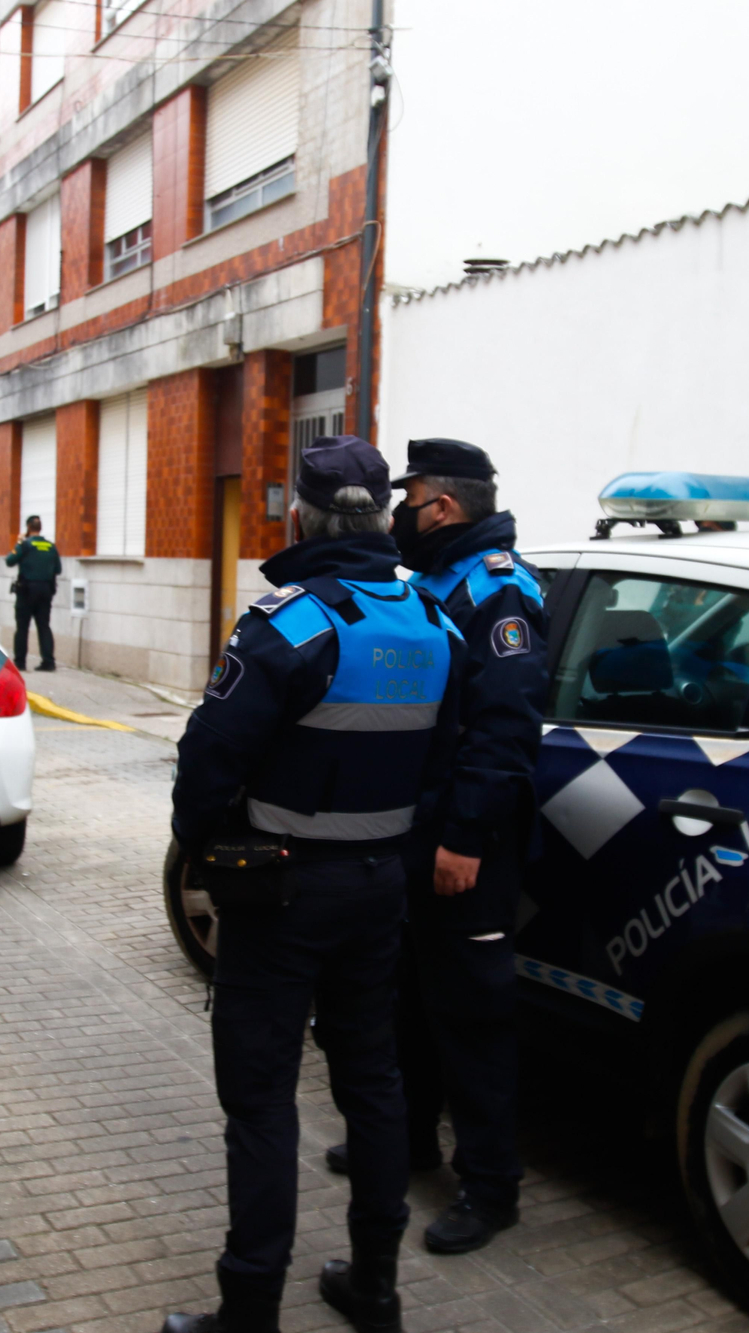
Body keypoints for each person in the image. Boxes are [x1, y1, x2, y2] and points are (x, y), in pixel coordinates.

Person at [163, 437, 468, 1333]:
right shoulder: (433, 618)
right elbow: (444, 761)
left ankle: (249, 1306)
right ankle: (375, 1286)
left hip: (280, 893)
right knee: (371, 1082)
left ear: (301, 513)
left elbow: (209, 760)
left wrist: (202, 843)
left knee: (259, 1099)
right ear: (382, 516)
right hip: (380, 889)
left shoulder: (291, 623)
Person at [322, 437, 548, 1255]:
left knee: (473, 1018)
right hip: (414, 832)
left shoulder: (498, 592)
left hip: (465, 845)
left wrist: (464, 837)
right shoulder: (438, 583)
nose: (396, 515)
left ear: (441, 506)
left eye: (405, 499)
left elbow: (503, 732)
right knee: (406, 1000)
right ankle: (408, 1142)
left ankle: (491, 1188)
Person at [6, 514, 59, 672]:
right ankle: (48, 662)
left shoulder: (25, 544)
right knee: (44, 626)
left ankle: (20, 663)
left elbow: (10, 560)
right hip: (46, 591)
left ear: (28, 528)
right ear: (40, 528)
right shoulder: (51, 546)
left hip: (26, 591)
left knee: (22, 627)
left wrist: (19, 541)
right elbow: (58, 569)